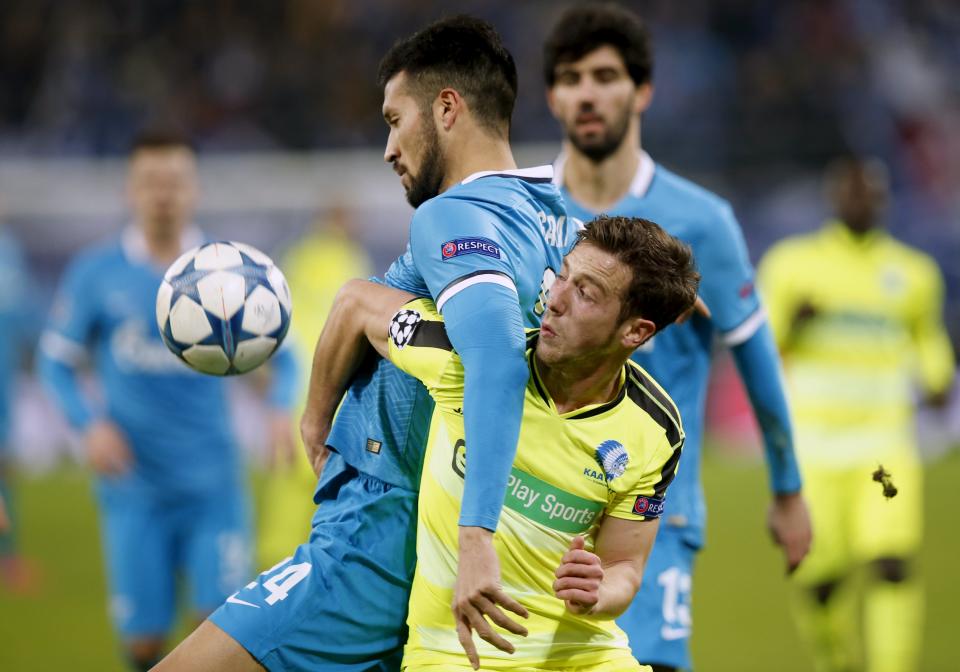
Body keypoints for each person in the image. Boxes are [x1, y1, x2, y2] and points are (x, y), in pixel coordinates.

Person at [156, 16, 577, 671]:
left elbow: (494, 355)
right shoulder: (568, 226)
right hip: (452, 551)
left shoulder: (451, 214)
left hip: (371, 541)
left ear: (446, 109)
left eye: (392, 119)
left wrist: (476, 534)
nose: (388, 147)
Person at [542, 5, 812, 670]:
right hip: (537, 504)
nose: (587, 92)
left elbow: (755, 358)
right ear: (552, 96)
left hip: (653, 512)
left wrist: (788, 488)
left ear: (642, 92)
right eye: (571, 77)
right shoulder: (526, 210)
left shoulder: (703, 222)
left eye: (605, 75)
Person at [341, 213, 698, 671]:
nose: (555, 300)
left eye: (585, 293)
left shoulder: (656, 429)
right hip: (454, 653)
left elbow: (624, 565)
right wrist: (314, 421)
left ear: (636, 331)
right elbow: (355, 300)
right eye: (563, 276)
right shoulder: (471, 362)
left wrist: (597, 591)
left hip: (584, 655)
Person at [37, 130, 298, 671]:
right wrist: (88, 425)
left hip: (214, 487)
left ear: (194, 190)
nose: (163, 193)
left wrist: (279, 408)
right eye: (151, 181)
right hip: (135, 489)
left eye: (175, 181)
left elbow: (287, 358)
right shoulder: (97, 273)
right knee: (142, 644)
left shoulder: (232, 274)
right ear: (129, 191)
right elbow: (55, 361)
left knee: (220, 638)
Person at [758, 156, 955, 672]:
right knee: (821, 578)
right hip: (815, 449)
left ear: (883, 201)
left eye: (870, 193)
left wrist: (937, 380)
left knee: (891, 560)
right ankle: (836, 660)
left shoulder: (912, 272)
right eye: (851, 192)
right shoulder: (792, 265)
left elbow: (925, 338)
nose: (860, 201)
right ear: (834, 198)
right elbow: (757, 349)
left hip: (883, 447)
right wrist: (795, 325)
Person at [255, 206, 372, 568]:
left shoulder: (296, 258)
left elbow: (268, 320)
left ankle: (272, 586)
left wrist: (266, 378)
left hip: (295, 393)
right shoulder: (351, 260)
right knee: (331, 503)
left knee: (287, 503)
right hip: (333, 394)